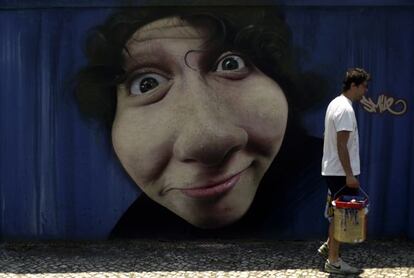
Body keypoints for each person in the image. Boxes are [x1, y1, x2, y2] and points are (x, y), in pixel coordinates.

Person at [74, 2, 327, 238]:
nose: (207, 142)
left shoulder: (331, 185)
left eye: (230, 64)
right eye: (147, 84)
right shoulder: (135, 232)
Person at [319, 68, 370, 274]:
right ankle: (333, 261)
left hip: (334, 170)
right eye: (364, 86)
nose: (365, 91)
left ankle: (328, 247)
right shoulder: (345, 110)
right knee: (340, 217)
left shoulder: (335, 103)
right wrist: (349, 174)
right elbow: (341, 145)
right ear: (354, 85)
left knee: (336, 214)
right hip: (340, 172)